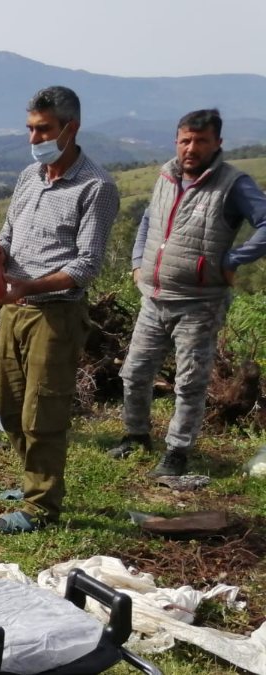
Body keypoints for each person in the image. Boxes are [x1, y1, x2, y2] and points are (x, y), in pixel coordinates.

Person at [0, 86, 119, 534]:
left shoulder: (96, 187)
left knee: (45, 411)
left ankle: (43, 504)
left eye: (44, 129)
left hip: (54, 315)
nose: (35, 138)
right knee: (11, 404)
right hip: (14, 310)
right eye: (31, 129)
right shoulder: (29, 177)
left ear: (70, 128)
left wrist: (29, 286)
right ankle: (30, 480)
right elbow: (11, 234)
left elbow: (85, 265)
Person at [110, 109, 266, 477]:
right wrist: (137, 262)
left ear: (217, 143)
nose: (191, 148)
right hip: (155, 297)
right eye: (185, 140)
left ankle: (177, 452)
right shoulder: (166, 175)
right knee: (134, 372)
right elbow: (149, 219)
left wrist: (233, 259)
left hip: (200, 302)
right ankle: (136, 436)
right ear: (176, 141)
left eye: (200, 141)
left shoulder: (233, 184)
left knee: (190, 380)